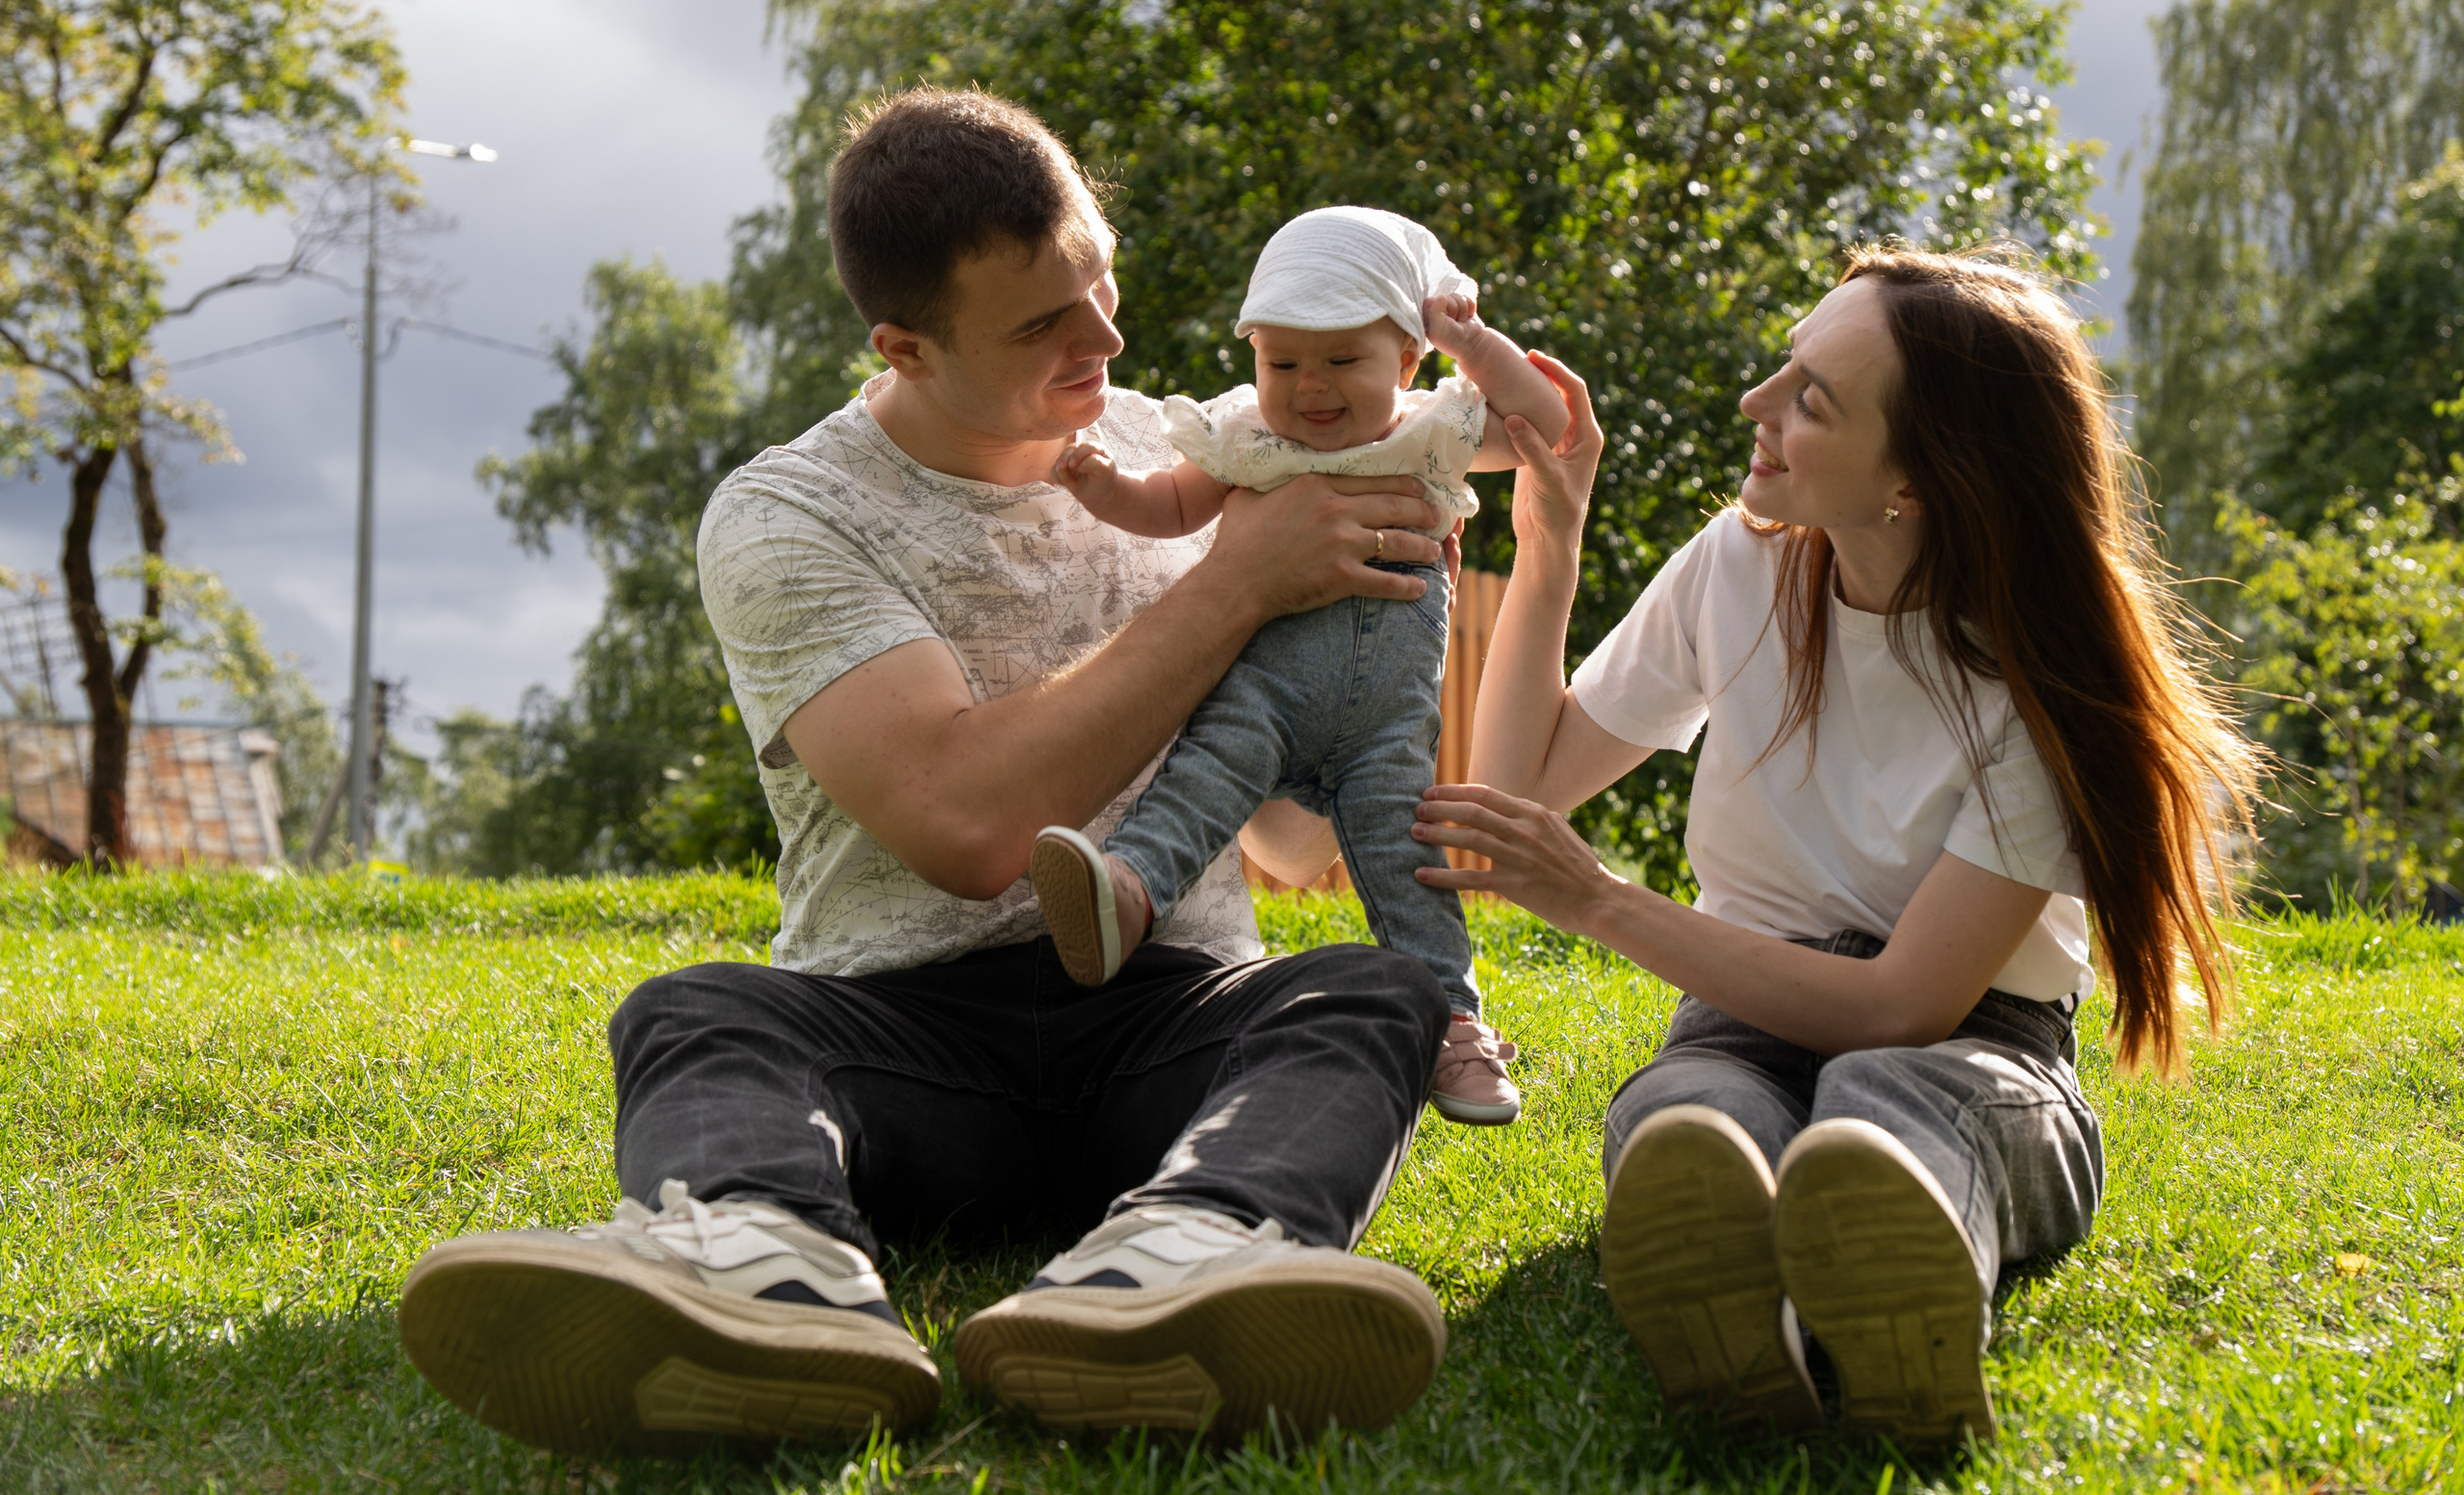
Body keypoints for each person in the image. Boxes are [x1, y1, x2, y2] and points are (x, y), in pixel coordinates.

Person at [395, 87, 1489, 1456]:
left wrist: (1390, 643)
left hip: (1171, 1006)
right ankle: (777, 1270)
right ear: (904, 345)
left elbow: (1277, 829)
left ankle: (1183, 1255)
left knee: (1370, 991)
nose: (1108, 336)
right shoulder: (791, 513)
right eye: (1043, 322)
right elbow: (965, 822)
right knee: (700, 1012)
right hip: (903, 1037)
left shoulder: (1196, 454)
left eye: (1100, 279)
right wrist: (1232, 592)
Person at [1409, 246, 2259, 1446]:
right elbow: (1521, 791)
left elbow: (1899, 1010)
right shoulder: (1741, 565)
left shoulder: (2038, 684)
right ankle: (1751, 1324)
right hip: (1738, 1018)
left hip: (1975, 1054)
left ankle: (1880, 1319)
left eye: (1812, 398)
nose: (1758, 406)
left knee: (1878, 1104)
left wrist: (1598, 898)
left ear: (1918, 477)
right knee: (1696, 1111)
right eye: (1783, 369)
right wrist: (1552, 530)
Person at [1029, 205, 1570, 1126]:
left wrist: (1471, 341)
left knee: (1411, 867)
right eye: (1282, 362)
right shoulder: (1249, 438)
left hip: (1386, 733)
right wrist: (1103, 484)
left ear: (1406, 358)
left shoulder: (1435, 430)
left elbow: (1546, 424)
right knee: (1199, 777)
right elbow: (1169, 504)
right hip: (1264, 699)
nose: (1309, 387)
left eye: (1341, 361)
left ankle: (1454, 1027)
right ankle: (1126, 893)